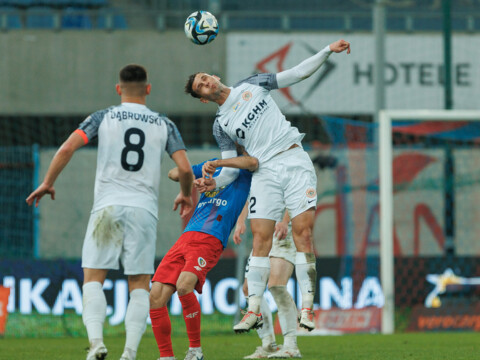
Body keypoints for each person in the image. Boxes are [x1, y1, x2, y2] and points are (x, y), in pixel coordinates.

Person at [26, 64, 194, 360]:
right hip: (143, 210)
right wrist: (183, 193)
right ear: (148, 89)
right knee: (139, 284)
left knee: (93, 278)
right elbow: (184, 168)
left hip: (107, 206)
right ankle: (129, 353)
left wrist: (47, 183)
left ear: (119, 89)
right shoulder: (163, 123)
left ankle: (96, 344)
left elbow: (66, 148)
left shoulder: (102, 117)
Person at [184, 39, 351, 332]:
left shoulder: (252, 84)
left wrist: (326, 51)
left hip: (294, 159)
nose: (206, 83)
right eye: (200, 86)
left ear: (215, 77)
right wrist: (213, 182)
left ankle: (308, 308)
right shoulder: (221, 125)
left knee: (304, 234)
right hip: (265, 171)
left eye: (205, 77)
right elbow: (230, 171)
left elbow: (297, 73)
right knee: (260, 239)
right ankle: (253, 311)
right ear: (202, 98)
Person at [149, 152, 258, 360]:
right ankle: (166, 356)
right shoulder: (211, 167)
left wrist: (219, 163)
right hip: (186, 237)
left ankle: (195, 351)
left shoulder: (244, 169)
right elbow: (173, 173)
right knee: (155, 295)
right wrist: (194, 177)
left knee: (184, 285)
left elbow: (252, 162)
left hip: (211, 237)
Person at [235, 209, 303, 359]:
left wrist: (285, 221)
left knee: (276, 286)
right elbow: (250, 196)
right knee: (249, 289)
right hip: (263, 233)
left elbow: (295, 194)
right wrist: (240, 221)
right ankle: (268, 345)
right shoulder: (255, 183)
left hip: (283, 230)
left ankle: (291, 346)